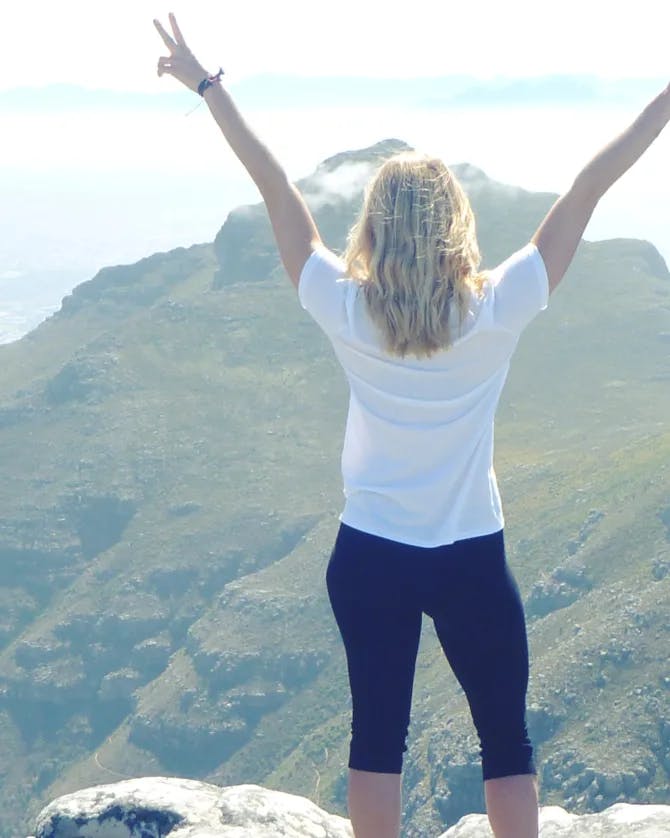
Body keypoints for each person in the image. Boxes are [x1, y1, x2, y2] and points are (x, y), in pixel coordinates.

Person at [154, 14, 670, 838]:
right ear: (455, 225)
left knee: (376, 740)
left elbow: (276, 190)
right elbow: (588, 187)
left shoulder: (344, 308)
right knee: (507, 741)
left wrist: (209, 88)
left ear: (374, 227)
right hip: (470, 552)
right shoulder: (498, 307)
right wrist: (666, 101)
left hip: (369, 554)